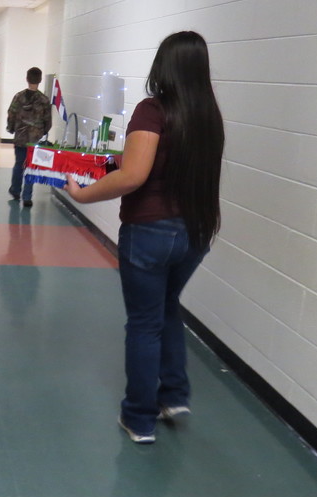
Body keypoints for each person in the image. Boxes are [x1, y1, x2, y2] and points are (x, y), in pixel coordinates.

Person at [65, 31, 224, 444]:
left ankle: (138, 418)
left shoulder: (152, 110)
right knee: (168, 307)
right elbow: (160, 162)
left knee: (143, 324)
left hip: (151, 232)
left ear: (163, 65)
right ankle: (174, 394)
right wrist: (117, 159)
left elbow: (134, 176)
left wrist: (82, 194)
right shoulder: (207, 115)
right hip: (196, 232)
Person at [7, 66, 52, 207]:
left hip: (20, 137)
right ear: (39, 80)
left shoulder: (18, 97)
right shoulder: (44, 100)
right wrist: (42, 132)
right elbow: (48, 121)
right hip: (35, 139)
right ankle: (27, 197)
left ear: (27, 79)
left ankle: (15, 190)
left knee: (19, 164)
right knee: (31, 167)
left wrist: (11, 128)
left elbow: (11, 113)